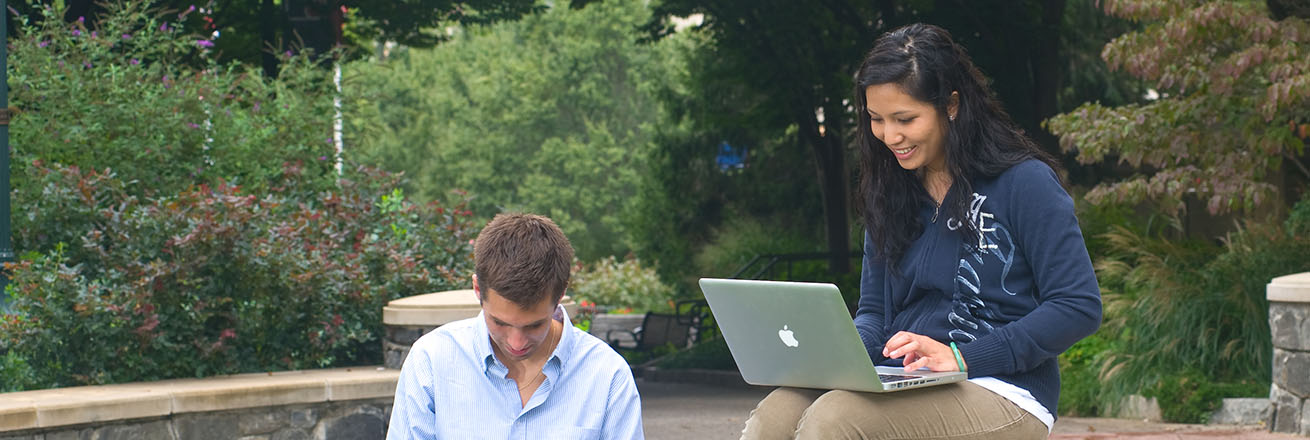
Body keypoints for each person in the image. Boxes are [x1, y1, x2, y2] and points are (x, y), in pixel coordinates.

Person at [740, 23, 1102, 439]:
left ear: (951, 105)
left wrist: (962, 358)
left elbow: (1078, 305)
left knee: (835, 419)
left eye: (905, 119)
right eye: (876, 119)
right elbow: (876, 312)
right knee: (776, 414)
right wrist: (845, 355)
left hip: (1002, 387)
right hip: (905, 378)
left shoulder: (1025, 183)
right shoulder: (889, 190)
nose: (890, 137)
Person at [387, 213, 643, 439]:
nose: (516, 343)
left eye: (534, 325)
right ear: (477, 289)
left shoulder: (608, 376)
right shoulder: (431, 361)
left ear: (561, 293)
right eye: (499, 322)